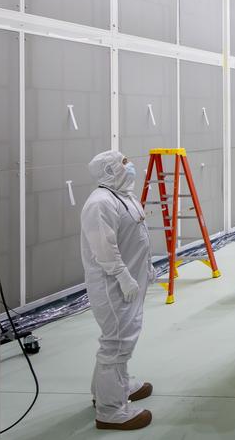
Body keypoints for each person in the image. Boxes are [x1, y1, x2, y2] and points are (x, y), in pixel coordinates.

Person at [80, 150, 154, 431]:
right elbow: (104, 249)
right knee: (117, 343)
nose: (130, 166)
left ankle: (109, 390)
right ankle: (111, 411)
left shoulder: (123, 196)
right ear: (110, 170)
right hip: (112, 285)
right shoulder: (100, 203)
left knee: (123, 338)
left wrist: (145, 269)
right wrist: (123, 276)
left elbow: (137, 234)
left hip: (131, 281)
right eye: (124, 163)